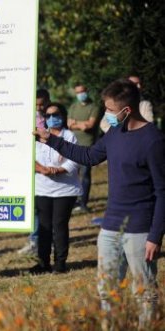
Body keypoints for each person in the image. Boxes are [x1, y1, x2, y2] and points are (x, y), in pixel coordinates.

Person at [34, 79, 164, 327]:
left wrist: (155, 235)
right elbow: (89, 156)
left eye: (110, 110)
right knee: (107, 291)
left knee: (144, 293)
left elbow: (162, 191)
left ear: (126, 111)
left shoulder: (153, 141)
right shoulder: (114, 132)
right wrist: (50, 139)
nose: (106, 115)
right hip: (110, 226)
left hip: (140, 230)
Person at [30, 103, 81, 274]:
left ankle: (60, 263)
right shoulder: (38, 137)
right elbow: (29, 157)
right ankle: (42, 263)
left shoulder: (69, 136)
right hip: (42, 189)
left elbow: (74, 160)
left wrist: (57, 170)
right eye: (48, 115)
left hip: (65, 190)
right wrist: (42, 169)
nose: (52, 118)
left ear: (63, 115)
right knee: (44, 227)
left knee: (59, 226)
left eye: (56, 114)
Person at [18, 89, 51, 256]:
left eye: (42, 103)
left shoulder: (53, 116)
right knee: (34, 206)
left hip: (49, 164)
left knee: (45, 206)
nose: (40, 107)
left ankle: (43, 240)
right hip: (33, 163)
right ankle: (34, 240)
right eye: (37, 104)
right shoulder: (28, 117)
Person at [67, 84, 99, 214]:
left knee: (85, 174)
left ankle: (83, 203)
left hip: (88, 146)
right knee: (73, 174)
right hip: (74, 145)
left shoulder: (94, 107)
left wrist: (77, 123)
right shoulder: (73, 107)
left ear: (87, 91)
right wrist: (82, 124)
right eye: (78, 92)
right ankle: (73, 202)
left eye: (82, 91)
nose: (80, 94)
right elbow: (69, 125)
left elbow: (90, 126)